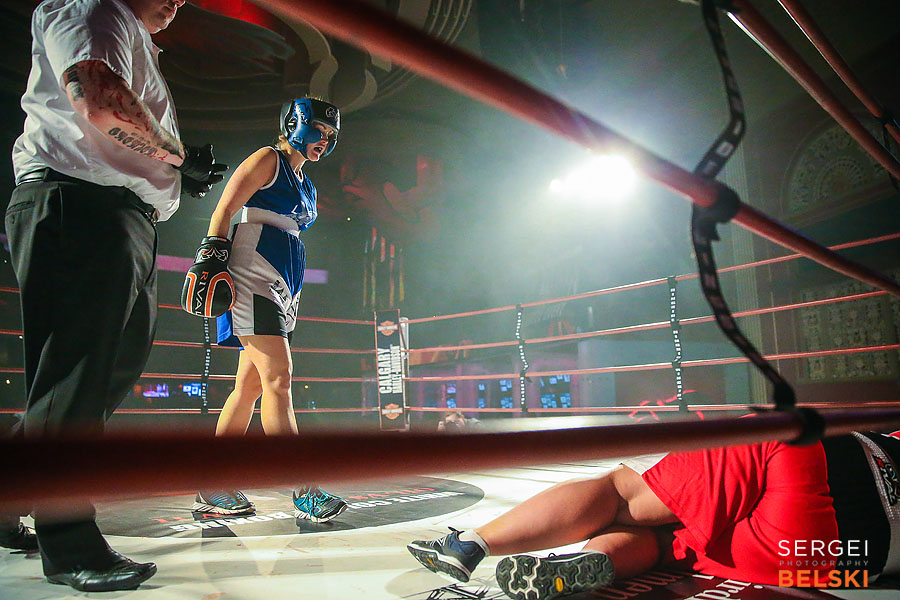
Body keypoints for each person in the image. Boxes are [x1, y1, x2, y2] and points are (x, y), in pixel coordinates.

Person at [2, 0, 226, 592]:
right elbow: (98, 101)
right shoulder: (98, 9)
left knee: (96, 375)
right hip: (83, 204)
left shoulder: (124, 29)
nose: (179, 1)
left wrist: (172, 173)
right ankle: (70, 544)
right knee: (77, 376)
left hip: (114, 211)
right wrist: (177, 158)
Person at [408, 430, 900, 600]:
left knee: (625, 496)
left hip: (822, 467)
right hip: (844, 560)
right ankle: (588, 567)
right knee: (672, 547)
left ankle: (469, 545)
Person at [181, 98, 348, 523]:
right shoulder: (267, 158)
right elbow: (224, 207)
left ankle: (213, 481)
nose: (323, 141)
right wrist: (211, 253)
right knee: (279, 375)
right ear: (296, 124)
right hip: (253, 268)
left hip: (285, 278)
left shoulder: (305, 183)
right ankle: (303, 486)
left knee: (251, 387)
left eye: (330, 137)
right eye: (318, 131)